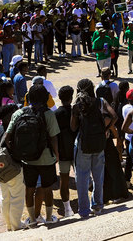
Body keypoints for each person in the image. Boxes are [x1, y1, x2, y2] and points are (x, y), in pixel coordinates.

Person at [5, 83, 60, 227]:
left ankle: (32, 219)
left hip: (27, 159)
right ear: (45, 98)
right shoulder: (49, 114)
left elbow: (7, 136)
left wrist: (17, 152)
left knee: (29, 189)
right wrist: (57, 154)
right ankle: (48, 217)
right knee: (47, 189)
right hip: (46, 157)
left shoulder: (19, 113)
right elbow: (54, 137)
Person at [71, 78, 115, 218]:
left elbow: (73, 127)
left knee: (82, 177)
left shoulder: (78, 104)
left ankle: (84, 210)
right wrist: (105, 129)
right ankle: (97, 205)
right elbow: (114, 116)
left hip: (83, 144)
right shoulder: (101, 102)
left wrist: (74, 113)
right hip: (99, 142)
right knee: (98, 176)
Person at [0, 103, 26, 231]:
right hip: (14, 168)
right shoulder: (14, 130)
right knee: (16, 197)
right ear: (9, 117)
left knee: (4, 196)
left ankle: (9, 225)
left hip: (0, 170)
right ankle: (16, 225)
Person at [54, 86, 76, 218]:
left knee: (64, 179)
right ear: (71, 97)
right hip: (76, 149)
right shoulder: (75, 111)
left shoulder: (56, 114)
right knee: (83, 177)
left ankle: (67, 208)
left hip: (62, 151)